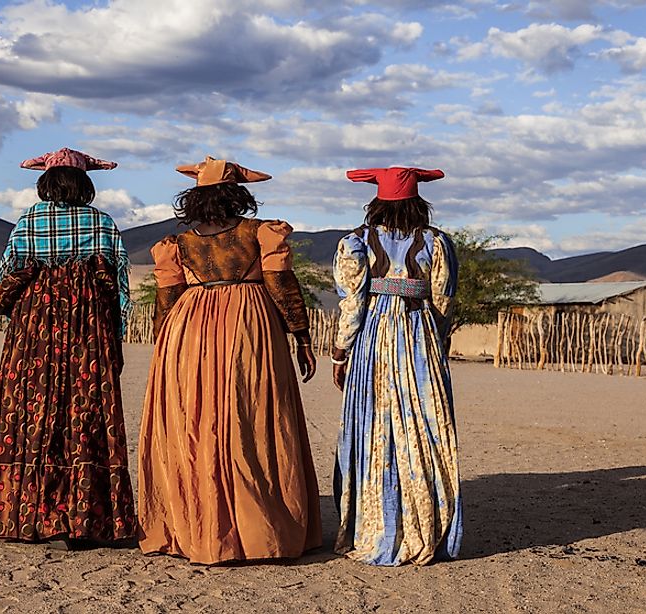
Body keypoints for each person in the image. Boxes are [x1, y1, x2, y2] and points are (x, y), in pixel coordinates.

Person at [137, 156, 322, 564]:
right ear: (237, 194)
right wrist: (301, 335)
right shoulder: (261, 234)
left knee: (197, 419)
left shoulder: (178, 245)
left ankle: (199, 527)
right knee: (252, 418)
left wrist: (163, 346)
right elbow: (280, 283)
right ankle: (261, 528)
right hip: (248, 326)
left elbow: (166, 300)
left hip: (189, 331)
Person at [0, 147, 137, 545]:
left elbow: (3, 290)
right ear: (85, 184)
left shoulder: (27, 223)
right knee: (85, 415)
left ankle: (30, 518)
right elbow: (118, 292)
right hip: (88, 334)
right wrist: (113, 341)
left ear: (45, 183)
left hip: (33, 335)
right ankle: (84, 521)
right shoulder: (102, 225)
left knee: (32, 413)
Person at [330, 166, 461, 566]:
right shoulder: (437, 243)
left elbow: (352, 303)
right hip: (419, 335)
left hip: (373, 340)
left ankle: (375, 528)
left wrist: (341, 352)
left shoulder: (355, 243)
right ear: (419, 203)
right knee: (422, 430)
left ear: (376, 203)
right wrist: (435, 344)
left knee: (375, 429)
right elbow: (443, 301)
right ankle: (426, 527)